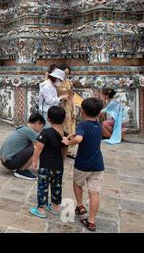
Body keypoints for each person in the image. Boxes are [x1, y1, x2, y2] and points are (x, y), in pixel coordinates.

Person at [63, 98, 105, 232]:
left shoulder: (82, 125)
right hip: (98, 165)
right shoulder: (98, 125)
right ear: (99, 114)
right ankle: (91, 221)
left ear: (82, 111)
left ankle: (80, 205)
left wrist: (67, 143)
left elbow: (79, 138)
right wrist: (72, 135)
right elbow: (83, 133)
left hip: (82, 164)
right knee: (94, 193)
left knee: (77, 183)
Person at [30, 106, 68, 219]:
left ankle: (41, 209)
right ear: (64, 119)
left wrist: (34, 160)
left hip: (46, 166)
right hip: (58, 166)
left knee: (43, 186)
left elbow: (39, 147)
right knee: (57, 186)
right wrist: (63, 160)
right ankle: (55, 207)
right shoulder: (64, 134)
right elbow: (65, 149)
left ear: (48, 119)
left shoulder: (45, 132)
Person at [0, 113, 46, 180]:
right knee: (38, 147)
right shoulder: (30, 131)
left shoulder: (23, 127)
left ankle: (19, 167)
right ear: (37, 123)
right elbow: (42, 144)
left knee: (34, 144)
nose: (41, 130)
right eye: (41, 127)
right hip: (10, 163)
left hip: (4, 160)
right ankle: (22, 170)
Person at [57, 64, 77, 158]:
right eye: (64, 73)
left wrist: (74, 108)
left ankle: (67, 148)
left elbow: (72, 95)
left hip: (68, 107)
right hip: (59, 106)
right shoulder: (56, 82)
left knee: (70, 126)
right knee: (61, 126)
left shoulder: (69, 82)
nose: (65, 75)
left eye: (67, 74)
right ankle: (60, 147)